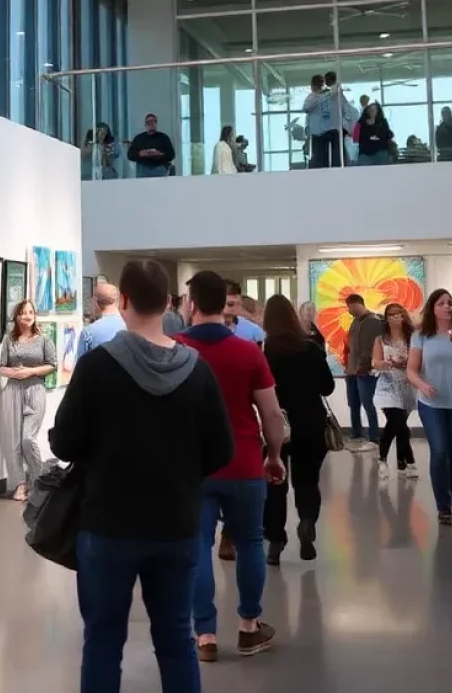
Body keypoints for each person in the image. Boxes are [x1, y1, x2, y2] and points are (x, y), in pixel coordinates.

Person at [50, 260, 234, 693]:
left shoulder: (96, 367)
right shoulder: (198, 371)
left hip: (107, 525)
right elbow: (221, 451)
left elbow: (64, 443)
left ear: (124, 300)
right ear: (169, 302)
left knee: (102, 640)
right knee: (176, 639)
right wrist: (180, 472)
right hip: (177, 525)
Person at [177, 271, 285, 661]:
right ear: (225, 304)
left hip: (192, 470)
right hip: (243, 463)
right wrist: (273, 456)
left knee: (197, 547)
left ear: (191, 304)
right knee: (250, 542)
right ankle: (248, 627)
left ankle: (205, 635)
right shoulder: (248, 352)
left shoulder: (173, 351)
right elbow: (271, 414)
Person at [262, 294, 335, 565]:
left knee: (275, 484)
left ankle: (275, 541)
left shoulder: (264, 351)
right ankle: (306, 521)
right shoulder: (311, 348)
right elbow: (328, 387)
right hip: (310, 422)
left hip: (275, 423)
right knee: (307, 480)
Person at [406, 289, 452, 524]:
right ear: (433, 308)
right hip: (432, 403)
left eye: (451, 303)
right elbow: (411, 370)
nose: (448, 306)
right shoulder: (421, 335)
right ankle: (443, 506)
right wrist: (422, 384)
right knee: (440, 452)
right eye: (442, 303)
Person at [0, 300, 57, 501]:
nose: (28, 316)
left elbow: (52, 365)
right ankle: (20, 484)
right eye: (23, 313)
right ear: (17, 317)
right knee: (14, 441)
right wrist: (14, 373)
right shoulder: (9, 339)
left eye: (31, 312)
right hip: (13, 390)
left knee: (27, 438)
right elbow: (1, 367)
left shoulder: (44, 339)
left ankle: (38, 480)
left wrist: (30, 372)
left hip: (35, 389)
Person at [371, 303, 418, 480]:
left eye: (399, 313)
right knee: (398, 422)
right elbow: (375, 361)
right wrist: (383, 363)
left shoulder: (412, 337)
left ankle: (400, 461)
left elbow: (418, 359)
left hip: (406, 384)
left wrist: (405, 362)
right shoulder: (380, 339)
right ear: (386, 318)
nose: (396, 317)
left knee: (398, 425)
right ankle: (404, 460)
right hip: (387, 385)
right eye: (391, 314)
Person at [345, 294, 384, 450]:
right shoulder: (355, 321)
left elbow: (369, 348)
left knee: (368, 403)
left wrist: (363, 367)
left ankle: (374, 436)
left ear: (356, 304)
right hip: (351, 370)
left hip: (365, 371)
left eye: (349, 306)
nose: (348, 310)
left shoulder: (373, 322)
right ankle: (356, 434)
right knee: (353, 404)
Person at [78, 281, 127, 359]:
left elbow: (80, 364)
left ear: (95, 302)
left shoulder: (89, 332)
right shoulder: (131, 327)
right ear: (118, 301)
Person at [128, 112, 176, 178]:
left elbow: (171, 155)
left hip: (160, 170)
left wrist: (159, 154)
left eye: (153, 122)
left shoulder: (164, 138)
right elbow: (130, 155)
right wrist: (141, 154)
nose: (151, 124)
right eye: (148, 122)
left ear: (156, 123)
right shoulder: (138, 138)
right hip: (142, 171)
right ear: (145, 125)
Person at [303, 74, 336, 169]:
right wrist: (319, 96)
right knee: (319, 159)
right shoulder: (312, 97)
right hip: (317, 133)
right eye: (318, 85)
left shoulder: (330, 96)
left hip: (330, 131)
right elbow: (306, 108)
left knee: (331, 158)